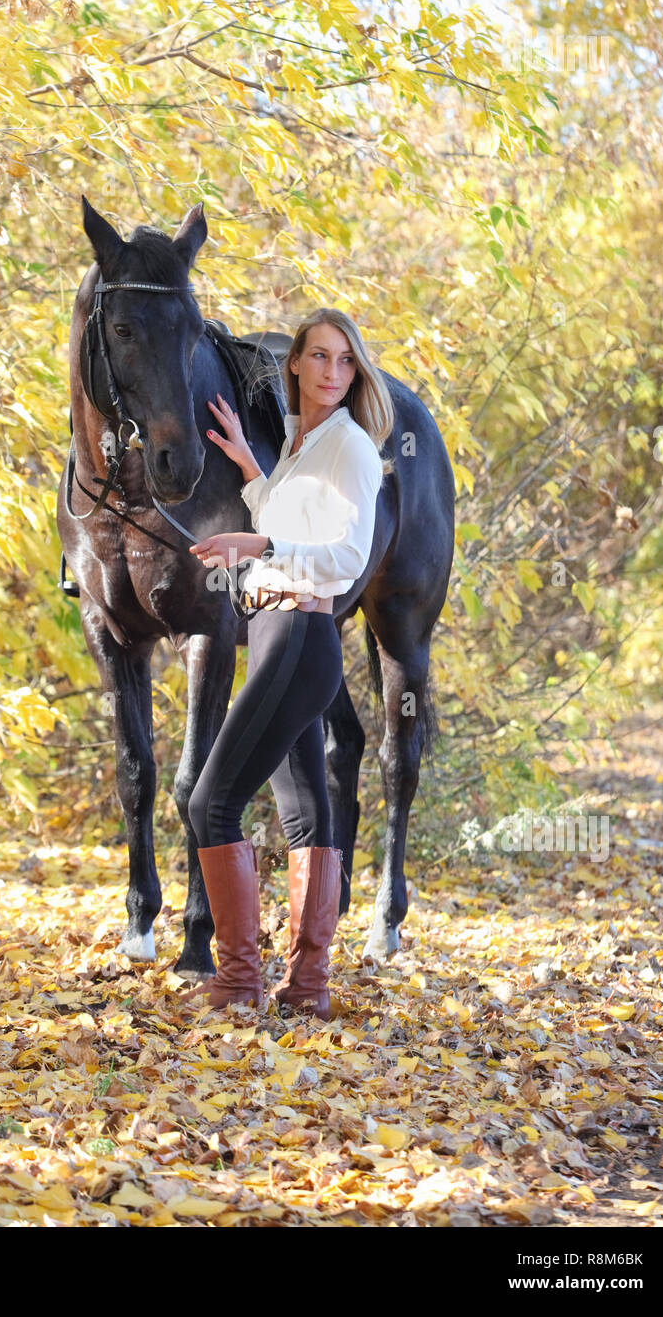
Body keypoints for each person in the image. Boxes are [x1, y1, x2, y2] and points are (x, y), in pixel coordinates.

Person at [185, 308, 394, 1018]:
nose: (334, 373)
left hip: (302, 636)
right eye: (321, 358)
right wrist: (251, 466)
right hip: (277, 634)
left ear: (353, 372)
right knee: (306, 820)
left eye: (346, 362)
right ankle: (306, 991)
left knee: (209, 803)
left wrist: (258, 549)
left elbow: (346, 559)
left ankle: (238, 983)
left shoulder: (353, 450)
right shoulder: (308, 445)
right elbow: (283, 520)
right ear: (297, 364)